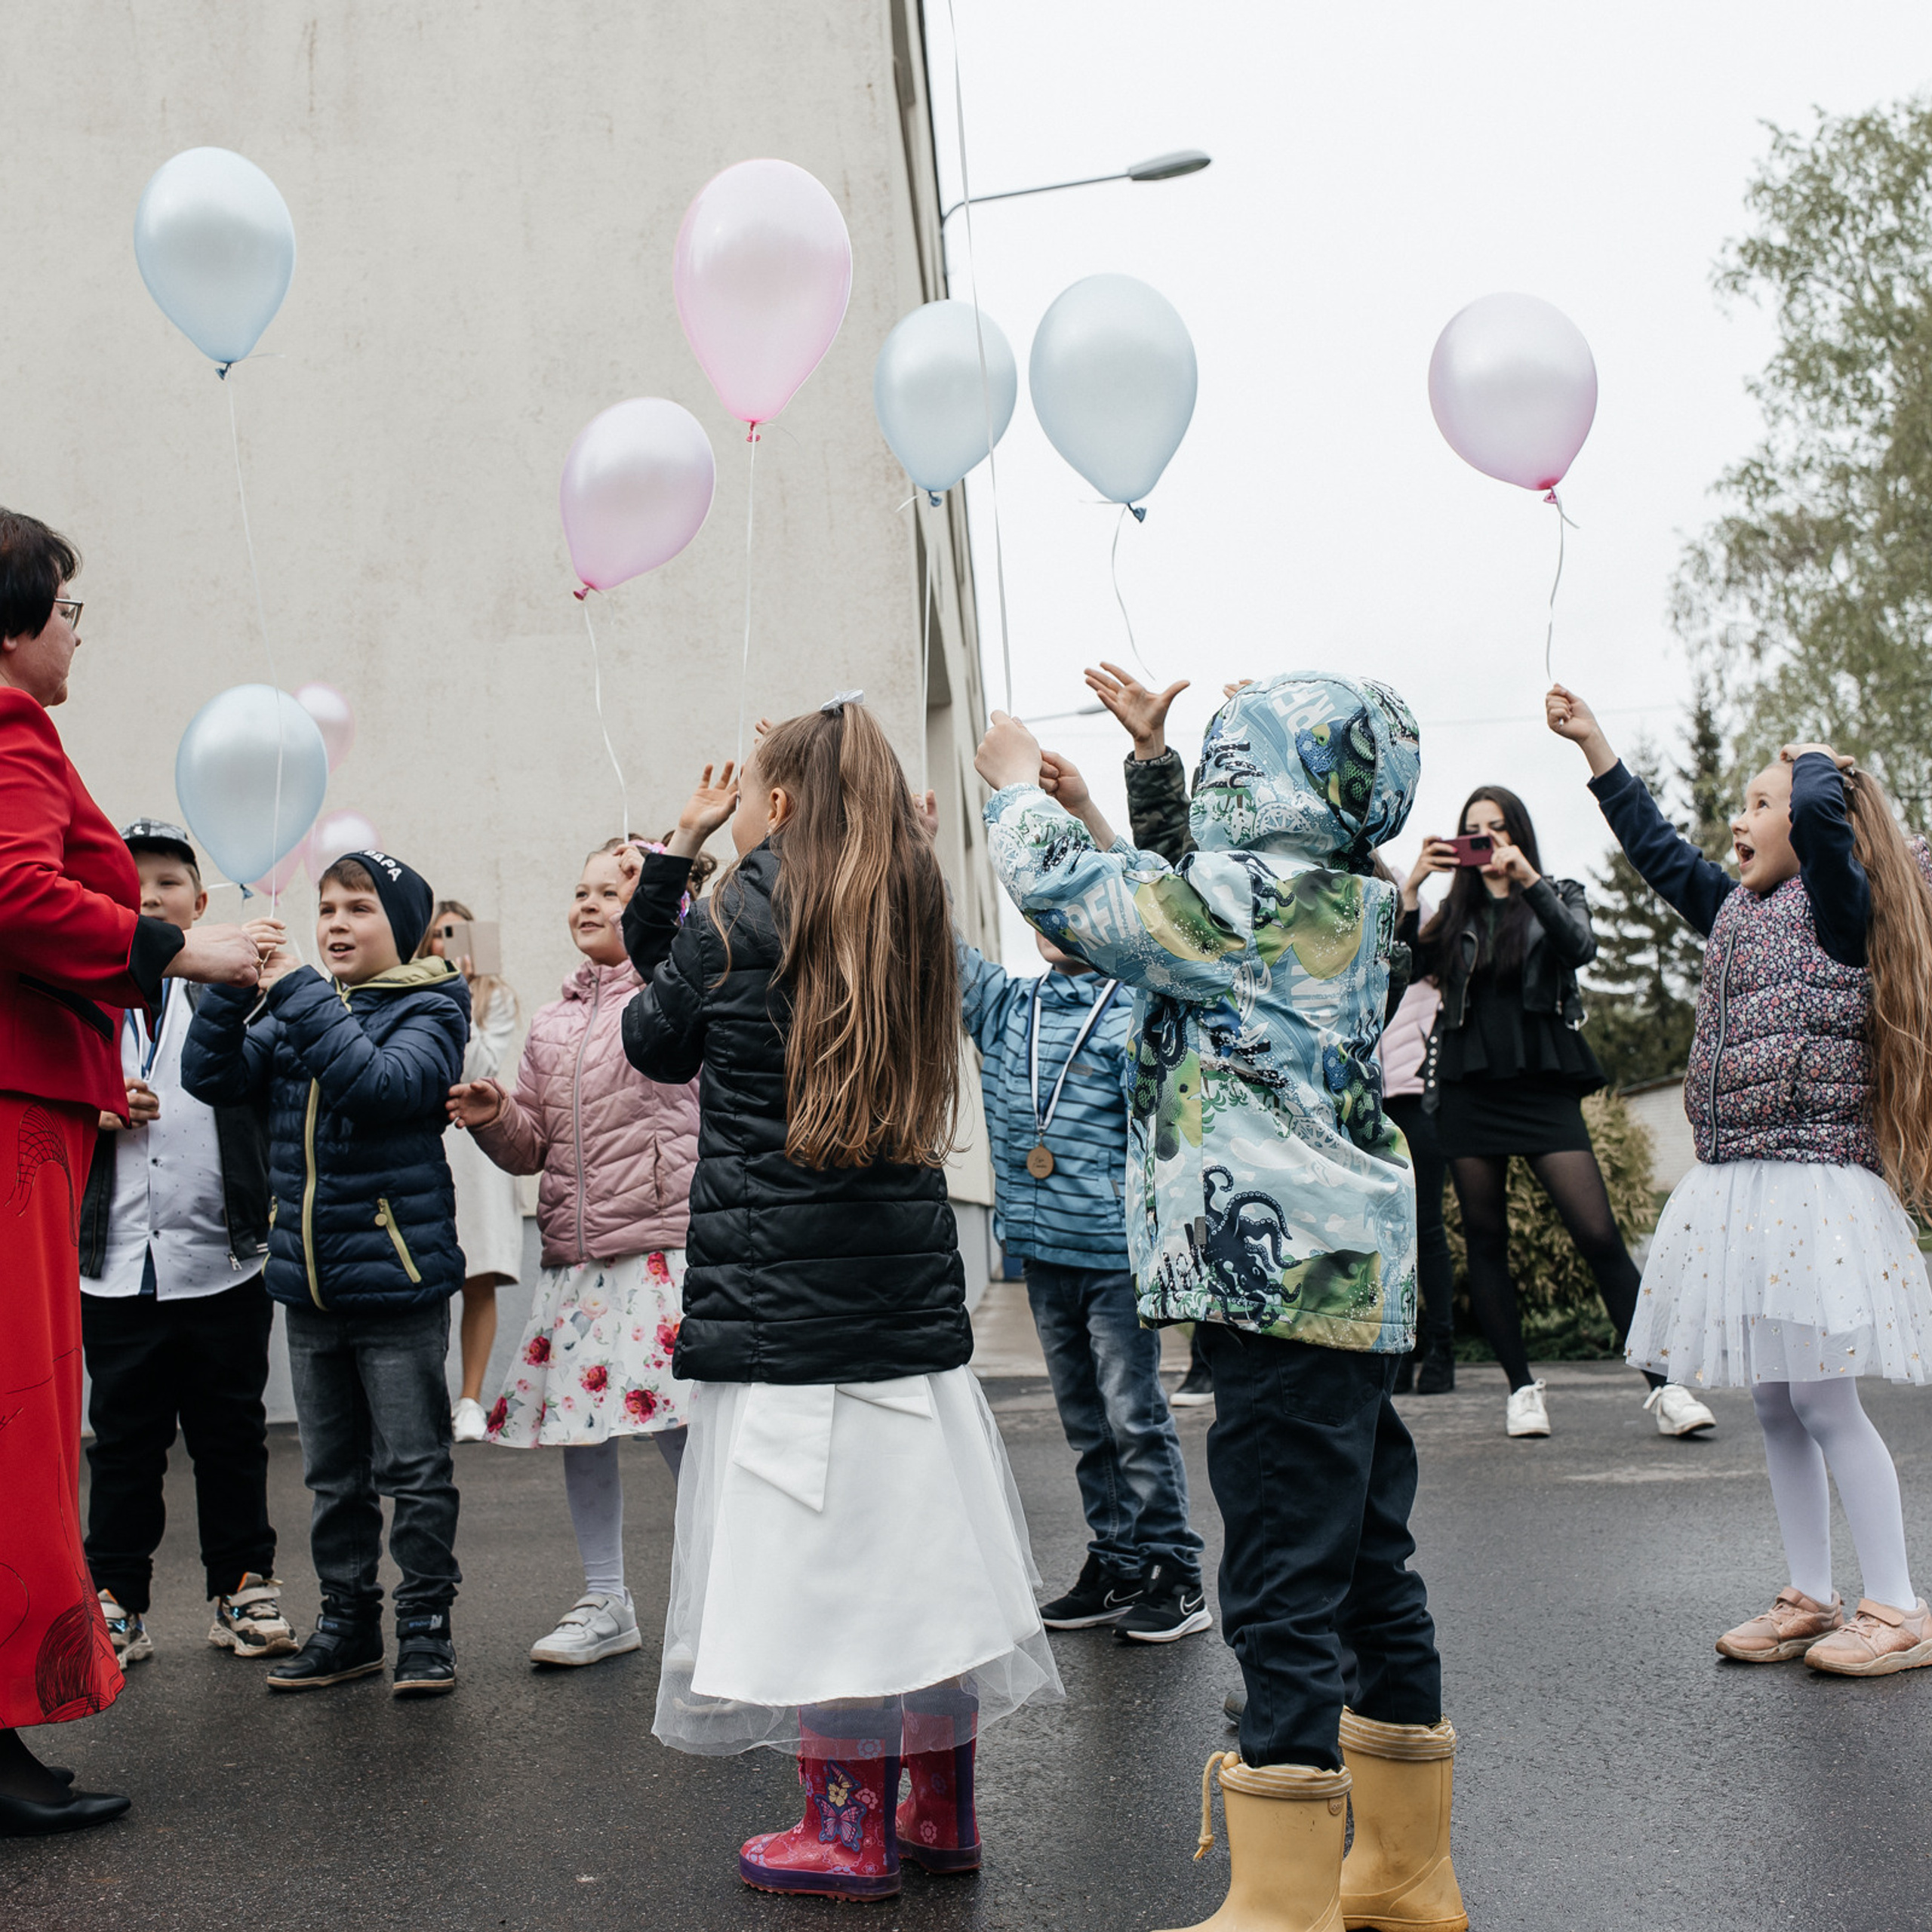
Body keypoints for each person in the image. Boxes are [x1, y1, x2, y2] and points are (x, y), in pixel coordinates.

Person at [977, 675, 1466, 1932]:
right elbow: (1183, 892)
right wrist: (1146, 769)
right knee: (1365, 1562)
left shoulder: (1234, 911)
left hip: (1277, 1294)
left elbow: (1082, 897)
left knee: (1280, 1588)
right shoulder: (1353, 901)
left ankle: (1286, 1896)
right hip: (1351, 1285)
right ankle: (1406, 1874)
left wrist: (1010, 784)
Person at [622, 700, 1060, 1903]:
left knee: (823, 1578)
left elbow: (652, 1039)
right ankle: (938, 1808)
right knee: (920, 1564)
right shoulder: (912, 903)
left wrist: (680, 852)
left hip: (782, 1319)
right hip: (904, 1314)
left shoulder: (732, 908)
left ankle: (845, 1831)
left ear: (775, 805)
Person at [1552, 684, 1932, 1675]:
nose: (1742, 821)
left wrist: (1810, 760)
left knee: (1823, 1402)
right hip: (1743, 1190)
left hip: (1815, 1188)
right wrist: (1598, 749)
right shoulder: (1733, 909)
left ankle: (1897, 1606)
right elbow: (1658, 852)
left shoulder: (1845, 908)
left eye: (1760, 805)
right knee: (1775, 1404)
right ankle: (1810, 1593)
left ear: (1815, 825)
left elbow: (1817, 809)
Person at [0, 508, 260, 1838]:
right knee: (24, 1424)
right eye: (67, 609)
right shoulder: (9, 728)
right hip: (18, 1114)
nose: (76, 634)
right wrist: (183, 949)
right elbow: (16, 895)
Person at [183, 849, 470, 1697]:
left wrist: (297, 990)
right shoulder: (303, 1008)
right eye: (328, 908)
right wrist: (235, 987)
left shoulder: (430, 1006)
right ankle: (348, 1622)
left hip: (396, 1281)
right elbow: (214, 1076)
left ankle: (426, 1625)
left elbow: (378, 1087)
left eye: (360, 908)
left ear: (405, 928)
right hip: (307, 1285)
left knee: (414, 1468)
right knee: (331, 1473)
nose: (337, 923)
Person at [446, 838, 703, 1667]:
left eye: (612, 890)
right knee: (582, 1431)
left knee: (682, 1430)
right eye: (580, 890)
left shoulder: (675, 997)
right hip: (577, 1258)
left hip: (660, 1249)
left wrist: (674, 863)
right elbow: (531, 1150)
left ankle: (718, 1597)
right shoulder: (553, 1024)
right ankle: (607, 1600)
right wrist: (493, 1115)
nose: (588, 903)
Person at [1400, 783, 1716, 1441]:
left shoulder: (1559, 891)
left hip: (1542, 1084)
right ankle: (1521, 1391)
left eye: (1498, 829)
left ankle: (1666, 1386)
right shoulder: (1448, 914)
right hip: (1467, 1086)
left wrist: (1529, 880)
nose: (1487, 842)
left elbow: (1580, 948)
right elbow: (1400, 970)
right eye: (1474, 832)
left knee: (1599, 1237)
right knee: (1487, 1242)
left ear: (1518, 834)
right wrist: (1410, 892)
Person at [954, 854, 1207, 1641]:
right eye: (1037, 907)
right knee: (1083, 1419)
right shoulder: (1004, 1006)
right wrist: (909, 845)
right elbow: (939, 943)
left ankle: (1176, 1569)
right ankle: (1118, 1560)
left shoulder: (1138, 1004)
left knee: (1132, 1413)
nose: (1048, 919)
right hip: (1040, 1251)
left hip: (1114, 1253)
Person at [79, 818, 292, 1671]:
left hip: (223, 1257)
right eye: (128, 886)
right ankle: (118, 1599)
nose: (147, 896)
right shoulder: (83, 1003)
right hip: (116, 1262)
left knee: (231, 1434)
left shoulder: (231, 994)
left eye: (166, 883)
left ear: (201, 906)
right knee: (123, 1442)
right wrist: (87, 1102)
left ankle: (241, 1587)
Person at [419, 899, 524, 1441]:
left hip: (479, 1150)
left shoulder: (495, 997)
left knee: (478, 1276)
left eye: (458, 935)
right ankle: (425, 1398)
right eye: (439, 935)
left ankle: (470, 1401)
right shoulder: (411, 990)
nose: (447, 945)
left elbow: (477, 1069)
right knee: (427, 1280)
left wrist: (458, 996)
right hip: (430, 1142)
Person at [1381, 978, 1456, 1393]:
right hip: (1370, 1096)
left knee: (1427, 1226)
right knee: (1389, 1232)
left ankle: (1441, 1348)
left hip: (1418, 1095)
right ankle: (1400, 1350)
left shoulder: (1426, 921)